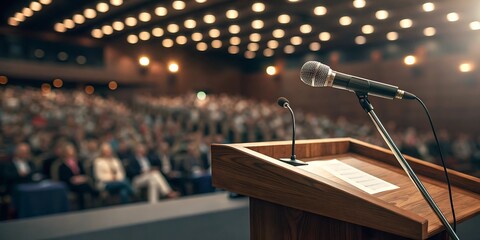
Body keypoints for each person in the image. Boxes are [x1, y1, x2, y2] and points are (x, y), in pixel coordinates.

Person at [58, 144, 97, 209]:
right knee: (82, 188)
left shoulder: (78, 162)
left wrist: (81, 178)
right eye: (69, 151)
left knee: (84, 185)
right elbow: (64, 178)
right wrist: (73, 179)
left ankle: (93, 204)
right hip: (70, 184)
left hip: (80, 181)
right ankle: (82, 207)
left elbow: (83, 173)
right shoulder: (62, 165)